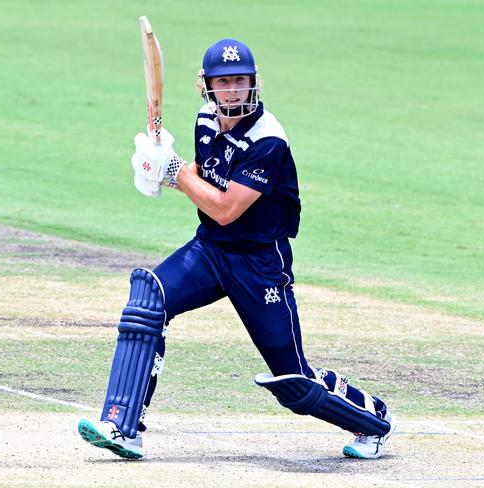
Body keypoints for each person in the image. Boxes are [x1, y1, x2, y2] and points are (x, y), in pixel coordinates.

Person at [77, 38, 396, 460]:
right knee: (147, 301)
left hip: (259, 263)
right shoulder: (206, 120)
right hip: (210, 251)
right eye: (223, 82)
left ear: (253, 83)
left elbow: (227, 208)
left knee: (293, 382)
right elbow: (203, 178)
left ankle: (372, 421)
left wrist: (175, 174)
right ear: (207, 86)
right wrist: (159, 166)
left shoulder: (268, 141)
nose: (232, 91)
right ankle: (122, 427)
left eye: (240, 81)